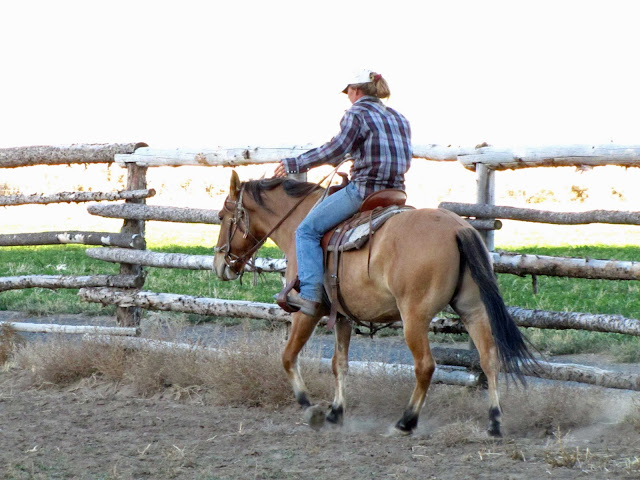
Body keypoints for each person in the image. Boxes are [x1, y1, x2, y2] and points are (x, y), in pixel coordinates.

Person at [273, 69, 412, 316]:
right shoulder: (399, 117)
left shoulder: (355, 113)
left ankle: (310, 295)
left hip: (364, 191)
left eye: (348, 91)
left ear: (355, 90)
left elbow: (335, 150)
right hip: (396, 192)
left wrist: (296, 163)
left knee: (306, 231)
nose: (348, 96)